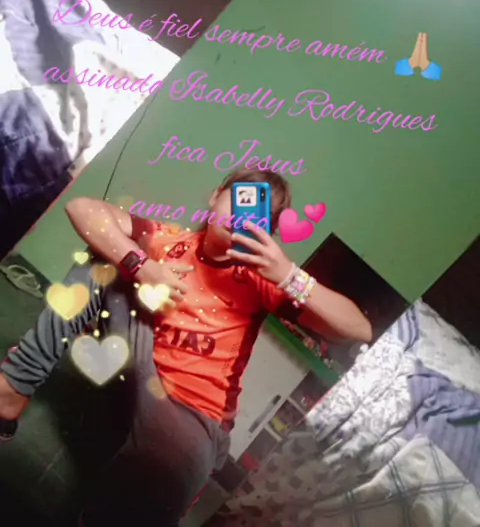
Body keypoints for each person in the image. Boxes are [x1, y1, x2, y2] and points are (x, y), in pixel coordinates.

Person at [0, 168, 372, 525]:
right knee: (106, 251)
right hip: (134, 367)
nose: (241, 213)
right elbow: (82, 208)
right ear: (214, 196)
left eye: (258, 210)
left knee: (148, 493)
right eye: (239, 197)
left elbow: (357, 329)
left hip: (190, 410)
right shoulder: (166, 239)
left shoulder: (261, 279)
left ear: (267, 230)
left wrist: (290, 275)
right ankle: (13, 388)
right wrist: (143, 266)